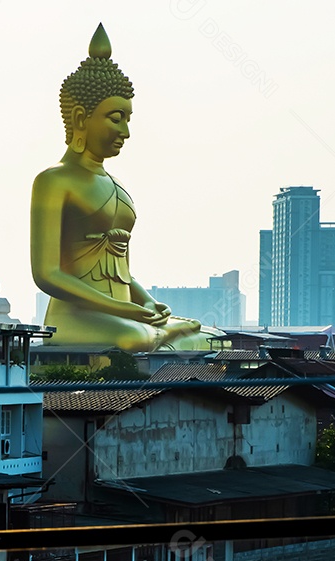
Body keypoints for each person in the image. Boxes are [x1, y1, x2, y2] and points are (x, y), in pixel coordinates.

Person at [30, 25, 220, 353]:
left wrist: (148, 303)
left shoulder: (115, 185)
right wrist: (123, 311)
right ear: (80, 118)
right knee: (133, 338)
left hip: (126, 314)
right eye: (116, 118)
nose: (126, 131)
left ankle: (160, 332)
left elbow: (123, 273)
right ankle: (156, 334)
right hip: (76, 316)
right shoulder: (53, 181)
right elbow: (47, 274)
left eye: (128, 119)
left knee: (209, 335)